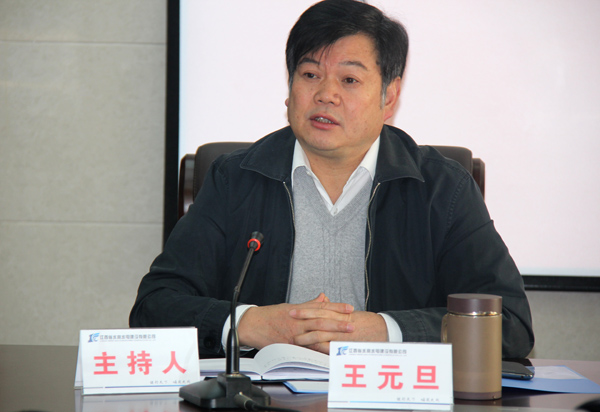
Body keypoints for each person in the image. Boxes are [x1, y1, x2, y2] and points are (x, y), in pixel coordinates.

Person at [130, 0, 534, 359]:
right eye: (309, 74)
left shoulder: (442, 189)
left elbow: (510, 323)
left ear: (389, 97)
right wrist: (249, 324)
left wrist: (385, 331)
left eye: (349, 80)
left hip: (389, 399)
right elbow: (154, 306)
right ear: (289, 89)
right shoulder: (235, 179)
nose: (326, 94)